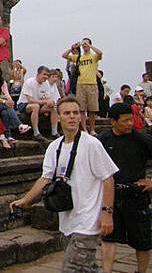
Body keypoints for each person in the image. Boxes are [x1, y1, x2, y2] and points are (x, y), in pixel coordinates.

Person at [11, 96, 117, 272]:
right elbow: (45, 178)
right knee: (85, 267)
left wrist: (107, 212)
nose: (72, 117)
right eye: (67, 113)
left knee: (72, 267)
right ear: (58, 117)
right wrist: (25, 200)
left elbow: (108, 178)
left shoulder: (91, 144)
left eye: (76, 113)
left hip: (88, 220)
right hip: (68, 219)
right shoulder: (55, 147)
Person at [98, 102, 152, 273]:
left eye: (131, 120)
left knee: (142, 239)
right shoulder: (102, 140)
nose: (130, 124)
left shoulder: (141, 139)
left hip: (135, 194)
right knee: (108, 236)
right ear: (113, 122)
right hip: (110, 194)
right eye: (125, 121)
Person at [62, 38, 103, 134]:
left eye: (86, 43)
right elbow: (64, 55)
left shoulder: (93, 56)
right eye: (83, 44)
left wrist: (90, 46)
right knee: (82, 109)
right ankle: (84, 128)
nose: (84, 45)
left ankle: (92, 129)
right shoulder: (78, 57)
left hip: (92, 84)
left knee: (93, 109)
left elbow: (100, 53)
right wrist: (72, 47)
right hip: (80, 84)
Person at [17, 66, 59, 141]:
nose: (46, 77)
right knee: (35, 106)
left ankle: (54, 132)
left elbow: (47, 98)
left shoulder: (46, 84)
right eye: (44, 74)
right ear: (38, 74)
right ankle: (36, 133)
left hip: (39, 105)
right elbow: (30, 100)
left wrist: (50, 102)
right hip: (24, 104)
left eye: (47, 75)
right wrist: (45, 102)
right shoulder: (29, 82)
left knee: (53, 106)